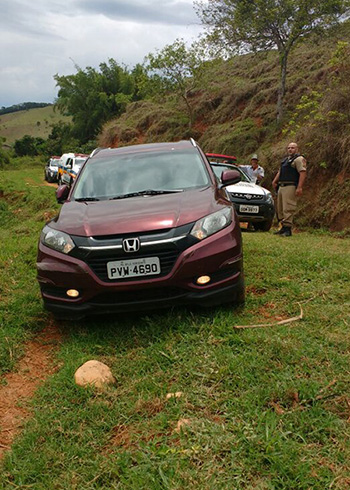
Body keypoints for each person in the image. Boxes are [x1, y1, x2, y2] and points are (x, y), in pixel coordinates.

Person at [272, 142, 307, 237]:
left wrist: (299, 187)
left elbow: (302, 172)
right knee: (280, 208)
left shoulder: (299, 159)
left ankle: (288, 229)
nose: (290, 149)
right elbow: (280, 171)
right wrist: (274, 181)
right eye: (289, 148)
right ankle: (282, 227)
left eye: (292, 148)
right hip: (281, 186)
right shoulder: (285, 160)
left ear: (297, 149)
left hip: (290, 186)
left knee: (288, 207)